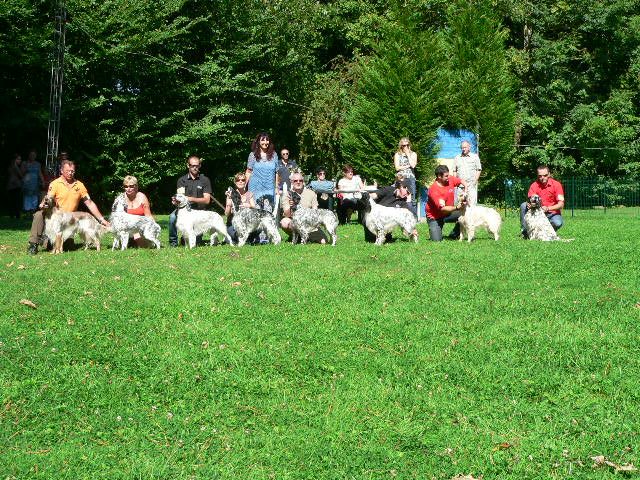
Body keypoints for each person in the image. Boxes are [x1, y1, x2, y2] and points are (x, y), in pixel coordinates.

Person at [27, 158, 110, 254]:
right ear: (61, 171)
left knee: (68, 247)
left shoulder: (79, 185)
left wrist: (102, 219)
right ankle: (33, 244)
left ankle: (49, 240)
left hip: (69, 221)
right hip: (55, 217)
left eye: (72, 171)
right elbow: (48, 198)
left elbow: (89, 203)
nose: (70, 173)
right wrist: (43, 204)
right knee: (38, 215)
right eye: (68, 171)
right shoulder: (55, 184)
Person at [169, 155, 212, 247]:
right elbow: (180, 198)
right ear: (188, 166)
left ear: (200, 166)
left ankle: (187, 238)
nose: (195, 167)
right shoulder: (181, 180)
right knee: (172, 217)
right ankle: (173, 243)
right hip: (184, 209)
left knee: (198, 243)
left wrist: (191, 199)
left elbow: (207, 200)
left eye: (197, 165)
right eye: (192, 165)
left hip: (199, 211)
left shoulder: (205, 180)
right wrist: (175, 201)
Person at [364, 178, 418, 242]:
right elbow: (374, 195)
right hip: (373, 218)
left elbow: (408, 217)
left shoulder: (403, 203)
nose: (408, 194)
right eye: (407, 191)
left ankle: (380, 238)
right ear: (401, 187)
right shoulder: (388, 189)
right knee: (370, 239)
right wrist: (366, 195)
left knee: (388, 239)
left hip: (385, 228)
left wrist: (412, 228)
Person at [280, 172, 328, 243]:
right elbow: (287, 215)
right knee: (284, 222)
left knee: (323, 242)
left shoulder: (311, 193)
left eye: (300, 180)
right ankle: (298, 236)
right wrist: (290, 207)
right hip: (295, 222)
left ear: (303, 182)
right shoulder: (287, 195)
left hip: (310, 224)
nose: (298, 182)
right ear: (292, 182)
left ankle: (304, 237)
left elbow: (315, 211)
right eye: (295, 181)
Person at [426, 165, 469, 241]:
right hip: (435, 217)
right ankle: (435, 229)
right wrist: (456, 207)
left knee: (465, 215)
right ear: (439, 176)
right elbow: (442, 209)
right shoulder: (434, 190)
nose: (448, 177)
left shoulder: (450, 179)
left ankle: (454, 234)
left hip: (449, 213)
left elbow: (462, 181)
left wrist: (465, 190)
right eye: (446, 176)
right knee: (436, 241)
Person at [520, 165, 565, 238]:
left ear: (549, 174)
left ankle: (547, 233)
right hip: (537, 213)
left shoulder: (557, 185)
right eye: (540, 176)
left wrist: (548, 208)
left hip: (551, 212)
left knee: (558, 223)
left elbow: (561, 204)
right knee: (523, 205)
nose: (542, 178)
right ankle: (525, 232)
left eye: (545, 175)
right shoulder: (534, 185)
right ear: (537, 175)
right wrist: (530, 204)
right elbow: (531, 200)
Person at [113, 175, 155, 247]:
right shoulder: (120, 198)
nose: (128, 189)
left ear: (136, 186)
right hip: (125, 229)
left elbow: (148, 216)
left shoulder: (142, 197)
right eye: (126, 186)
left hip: (139, 228)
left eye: (131, 186)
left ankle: (140, 242)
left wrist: (153, 228)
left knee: (138, 238)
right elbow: (116, 217)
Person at [245, 132, 279, 212]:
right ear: (258, 142)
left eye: (267, 140)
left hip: (269, 188)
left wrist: (277, 187)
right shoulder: (252, 155)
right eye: (263, 140)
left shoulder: (274, 155)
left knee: (267, 213)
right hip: (255, 188)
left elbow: (276, 172)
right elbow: (248, 171)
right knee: (255, 211)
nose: (265, 142)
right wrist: (243, 187)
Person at [224, 172, 256, 243]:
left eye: (243, 180)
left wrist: (249, 206)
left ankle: (243, 239)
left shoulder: (249, 194)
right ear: (235, 182)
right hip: (233, 225)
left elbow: (255, 209)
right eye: (238, 180)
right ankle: (237, 239)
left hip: (247, 224)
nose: (240, 181)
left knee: (254, 230)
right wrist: (229, 204)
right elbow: (226, 214)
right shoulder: (230, 194)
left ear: (245, 182)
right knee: (236, 233)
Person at [452, 140, 481, 206]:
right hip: (460, 186)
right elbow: (454, 170)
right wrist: (455, 182)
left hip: (471, 185)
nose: (463, 149)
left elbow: (479, 170)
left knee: (471, 205)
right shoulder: (457, 158)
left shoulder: (475, 157)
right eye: (462, 147)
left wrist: (475, 181)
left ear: (469, 147)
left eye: (465, 147)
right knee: (460, 205)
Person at [393, 137, 418, 209]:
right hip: (400, 177)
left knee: (412, 198)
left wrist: (408, 155)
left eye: (407, 145)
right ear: (401, 146)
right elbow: (397, 168)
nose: (406, 147)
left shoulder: (413, 154)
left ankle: (414, 216)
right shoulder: (397, 155)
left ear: (409, 145)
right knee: (399, 196)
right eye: (404, 145)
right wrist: (407, 165)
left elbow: (413, 165)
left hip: (410, 177)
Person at [21, 149, 44, 214]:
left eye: (34, 155)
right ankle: (27, 210)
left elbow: (40, 173)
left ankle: (33, 210)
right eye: (31, 155)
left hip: (35, 183)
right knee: (27, 197)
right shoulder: (24, 163)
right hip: (27, 183)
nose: (33, 156)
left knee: (34, 196)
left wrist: (42, 181)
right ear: (29, 155)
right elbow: (21, 173)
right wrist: (26, 168)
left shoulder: (38, 164)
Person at [6, 153, 23, 219]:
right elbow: (21, 175)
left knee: (12, 201)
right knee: (16, 201)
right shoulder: (14, 166)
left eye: (20, 159)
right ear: (14, 160)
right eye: (18, 159)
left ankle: (12, 215)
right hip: (14, 186)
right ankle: (16, 215)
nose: (20, 160)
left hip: (11, 186)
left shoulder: (10, 166)